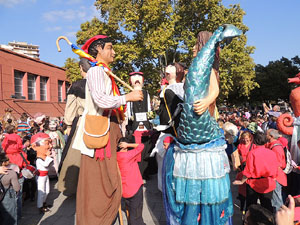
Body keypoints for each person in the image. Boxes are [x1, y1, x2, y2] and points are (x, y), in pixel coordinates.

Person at [163, 25, 242, 225]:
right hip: (191, 128)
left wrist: (206, 101)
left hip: (205, 120)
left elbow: (214, 90)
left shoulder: (211, 70)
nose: (192, 49)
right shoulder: (193, 71)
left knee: (208, 191)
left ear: (203, 47)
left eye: (195, 46)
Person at [73, 35, 143, 225]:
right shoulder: (96, 72)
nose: (113, 52)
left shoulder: (104, 72)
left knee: (110, 178)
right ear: (98, 50)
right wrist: (126, 97)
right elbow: (100, 100)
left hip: (109, 130)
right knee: (102, 181)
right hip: (100, 132)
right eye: (110, 48)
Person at [58, 58, 91, 195]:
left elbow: (70, 108)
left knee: (75, 156)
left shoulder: (77, 85)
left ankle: (72, 187)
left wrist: (69, 123)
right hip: (99, 123)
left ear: (80, 68)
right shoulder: (103, 83)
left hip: (82, 123)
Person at [233, 131, 279, 213]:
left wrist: (241, 181)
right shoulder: (271, 152)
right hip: (268, 182)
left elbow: (248, 171)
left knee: (251, 207)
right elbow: (275, 168)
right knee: (267, 206)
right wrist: (274, 178)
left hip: (254, 183)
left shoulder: (252, 153)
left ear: (254, 140)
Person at [116, 137, 146, 225]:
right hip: (134, 188)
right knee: (136, 214)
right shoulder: (128, 155)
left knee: (132, 210)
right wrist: (128, 145)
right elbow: (141, 146)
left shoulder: (116, 156)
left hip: (125, 189)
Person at [31, 133, 54, 213]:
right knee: (41, 192)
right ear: (35, 147)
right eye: (47, 144)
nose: (50, 146)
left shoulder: (44, 158)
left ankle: (44, 203)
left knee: (47, 190)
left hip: (45, 175)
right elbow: (46, 164)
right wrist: (48, 157)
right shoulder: (39, 160)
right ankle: (40, 206)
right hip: (41, 177)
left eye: (50, 143)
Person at [266, 128, 287, 211]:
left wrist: (273, 177)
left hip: (276, 177)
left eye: (267, 134)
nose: (265, 135)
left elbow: (279, 164)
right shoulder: (274, 145)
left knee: (277, 199)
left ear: (271, 136)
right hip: (276, 176)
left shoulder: (276, 148)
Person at [0, 153, 20, 225]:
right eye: (7, 160)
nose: (9, 161)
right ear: (3, 162)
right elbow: (17, 188)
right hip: (8, 196)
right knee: (11, 216)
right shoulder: (11, 172)